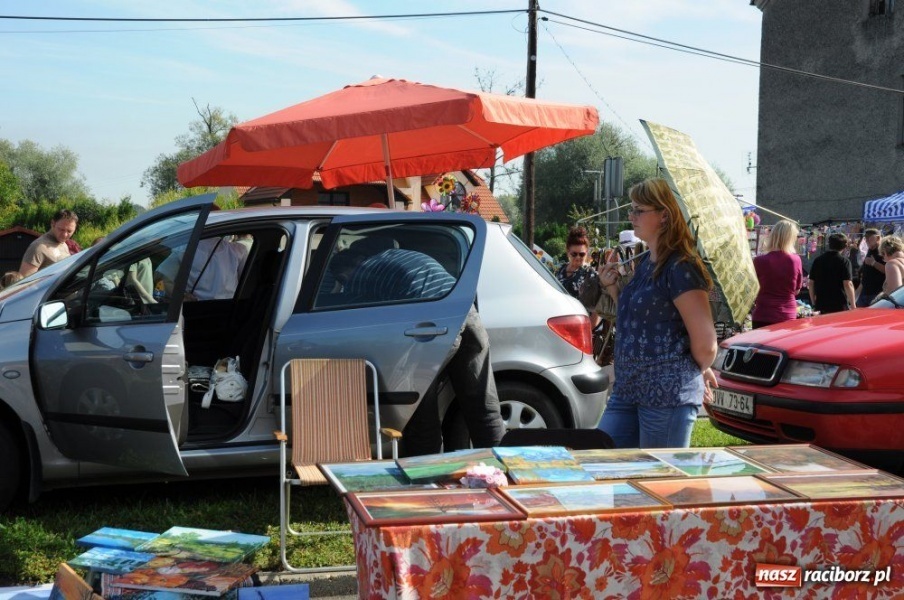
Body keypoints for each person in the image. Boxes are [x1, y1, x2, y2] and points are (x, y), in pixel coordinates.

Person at [342, 246, 505, 456]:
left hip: (432, 325)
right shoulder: (395, 256)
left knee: (420, 415)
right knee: (485, 410)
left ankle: (427, 480)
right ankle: (504, 475)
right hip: (466, 311)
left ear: (346, 269)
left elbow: (360, 326)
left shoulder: (359, 277)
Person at [596, 178, 717, 449]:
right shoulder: (647, 263)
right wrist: (613, 288)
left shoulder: (682, 268)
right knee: (601, 461)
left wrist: (694, 370)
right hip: (629, 390)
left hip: (666, 397)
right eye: (632, 209)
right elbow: (641, 316)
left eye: (639, 210)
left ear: (664, 215)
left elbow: (706, 344)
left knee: (658, 481)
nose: (631, 216)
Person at [157, 234, 252, 301]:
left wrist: (182, 297)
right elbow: (246, 283)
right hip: (228, 310)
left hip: (195, 310)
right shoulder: (238, 251)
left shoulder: (184, 249)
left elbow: (162, 277)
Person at [751, 220, 803, 328]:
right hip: (787, 315)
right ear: (791, 238)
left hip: (763, 314)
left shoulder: (759, 260)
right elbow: (796, 290)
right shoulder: (795, 260)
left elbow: (752, 289)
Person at [556, 226, 602, 328]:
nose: (578, 258)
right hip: (559, 325)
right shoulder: (560, 271)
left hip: (580, 328)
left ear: (587, 253)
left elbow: (597, 309)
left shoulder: (591, 275)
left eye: (581, 254)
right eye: (574, 254)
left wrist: (589, 330)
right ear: (568, 252)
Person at [19, 209, 78, 277]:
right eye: (61, 229)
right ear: (53, 224)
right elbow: (25, 282)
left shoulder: (63, 244)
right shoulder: (38, 247)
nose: (65, 234)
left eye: (69, 231)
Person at [808, 233, 855, 314]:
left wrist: (813, 303)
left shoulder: (818, 260)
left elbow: (811, 283)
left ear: (829, 244)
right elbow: (847, 284)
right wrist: (853, 306)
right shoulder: (844, 261)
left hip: (821, 304)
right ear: (844, 246)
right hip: (839, 305)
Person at [856, 228, 886, 307]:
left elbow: (889, 269)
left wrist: (874, 263)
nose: (867, 240)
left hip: (877, 292)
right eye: (866, 237)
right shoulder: (870, 250)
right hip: (865, 291)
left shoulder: (883, 251)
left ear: (878, 238)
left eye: (869, 237)